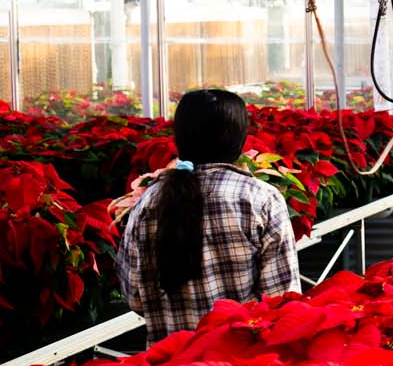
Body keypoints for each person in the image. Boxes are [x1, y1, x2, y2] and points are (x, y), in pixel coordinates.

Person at [116, 88, 299, 343]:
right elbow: (282, 298)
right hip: (244, 363)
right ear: (239, 139)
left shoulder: (148, 202)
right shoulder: (261, 199)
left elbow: (135, 297)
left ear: (180, 137)